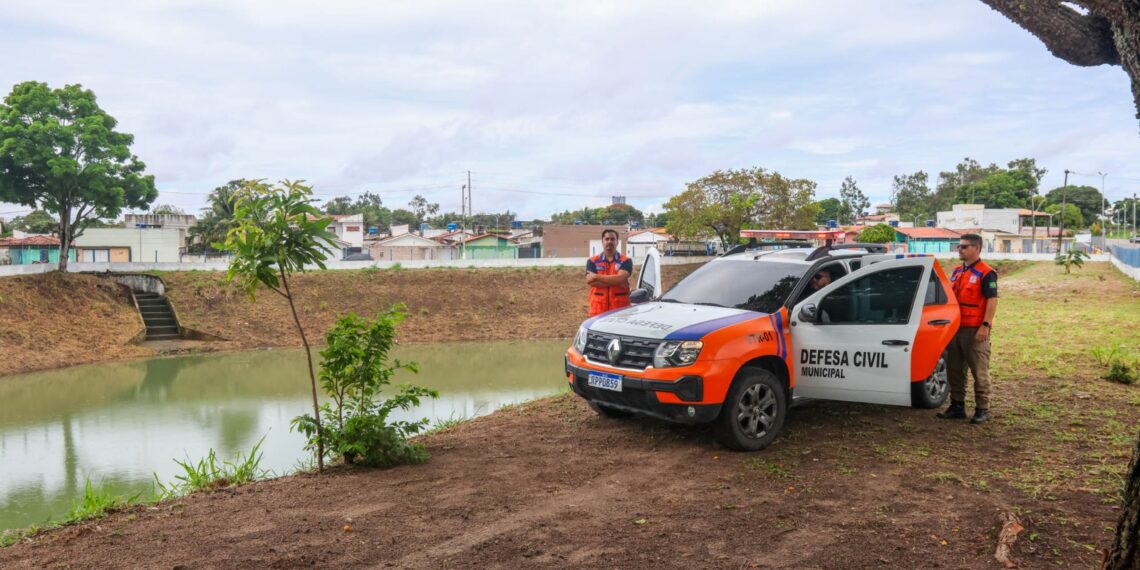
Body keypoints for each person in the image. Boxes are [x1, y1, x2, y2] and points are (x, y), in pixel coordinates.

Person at [938, 233, 999, 424]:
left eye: (964, 247)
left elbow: (992, 299)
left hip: (975, 331)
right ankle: (957, 406)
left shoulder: (986, 272)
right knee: (955, 370)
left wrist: (986, 325)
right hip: (955, 329)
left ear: (976, 248)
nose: (960, 249)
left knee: (979, 372)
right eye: (959, 246)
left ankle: (982, 409)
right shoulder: (958, 271)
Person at [586, 229, 633, 316]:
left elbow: (621, 278)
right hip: (598, 310)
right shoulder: (592, 261)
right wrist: (616, 281)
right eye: (607, 239)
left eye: (612, 239)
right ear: (602, 242)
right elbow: (591, 281)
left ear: (617, 242)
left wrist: (596, 276)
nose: (609, 241)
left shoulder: (626, 261)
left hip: (620, 311)